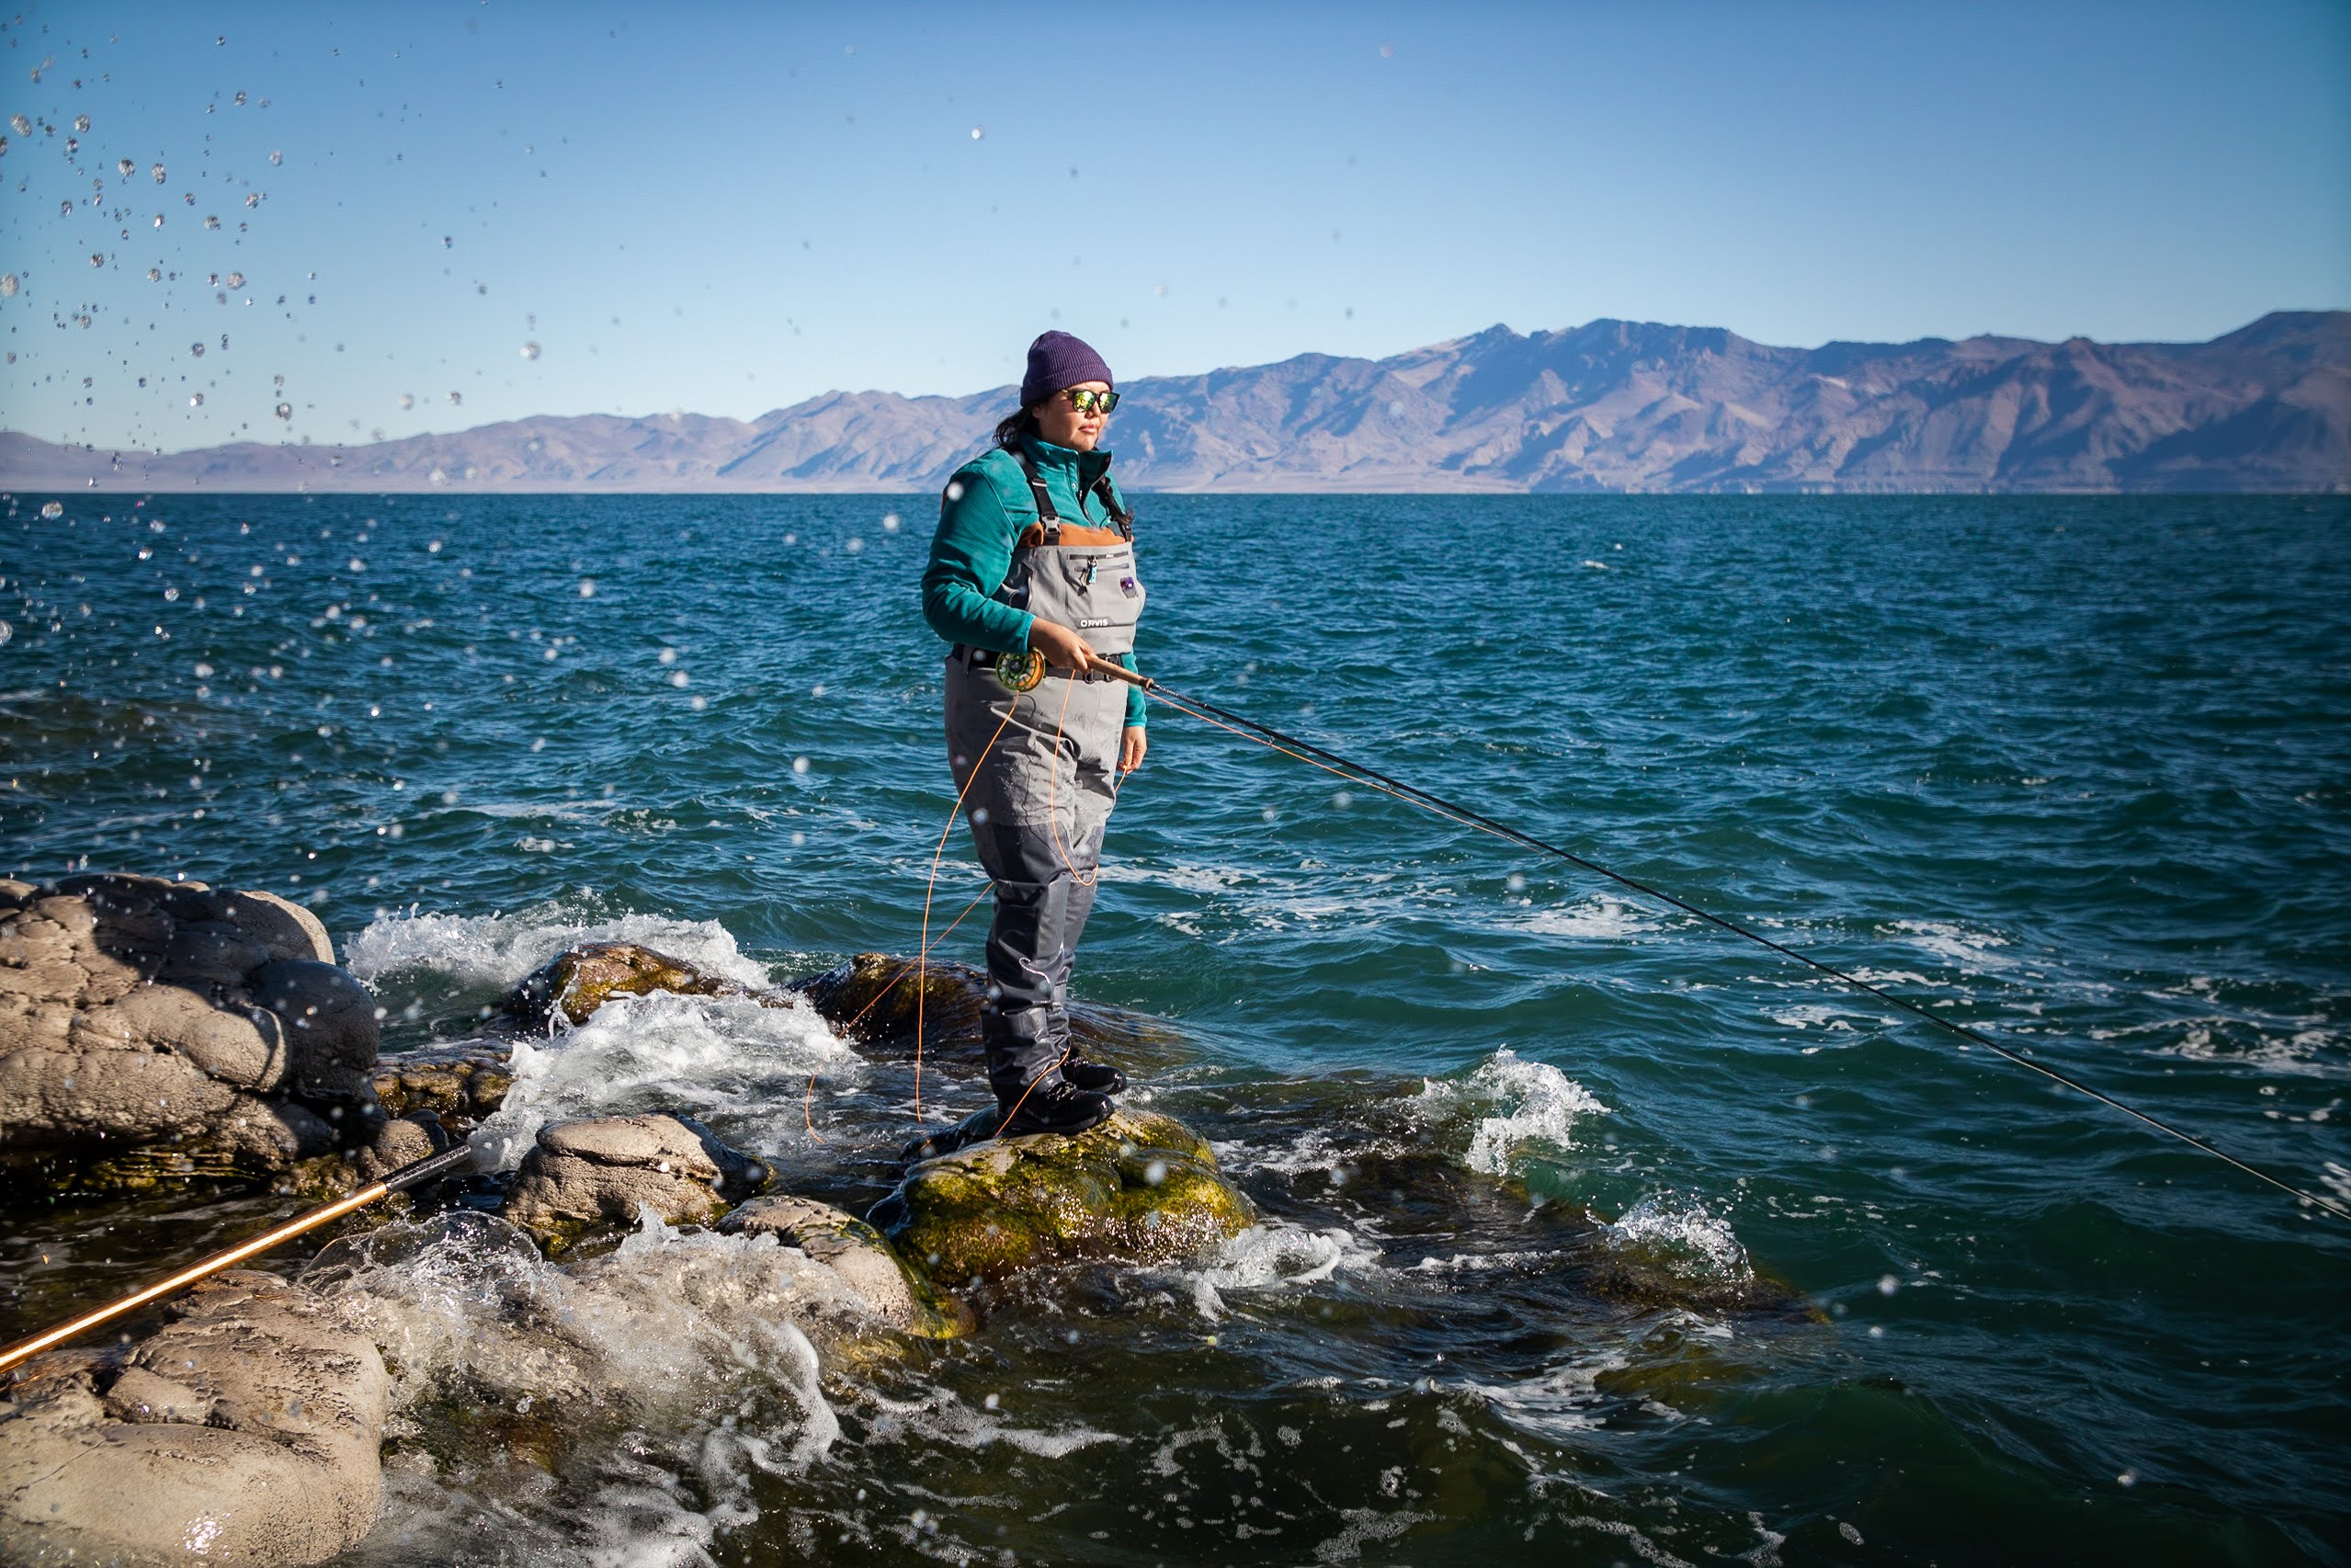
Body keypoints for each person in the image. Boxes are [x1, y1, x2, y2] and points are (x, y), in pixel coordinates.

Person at [920, 330, 1148, 1137]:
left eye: (1105, 400)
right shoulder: (989, 484)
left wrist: (1137, 712)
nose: (1094, 413)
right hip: (1009, 717)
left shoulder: (1100, 496)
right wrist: (1033, 632)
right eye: (1080, 398)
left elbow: (1115, 626)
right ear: (1039, 402)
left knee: (1076, 889)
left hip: (1096, 722)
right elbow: (945, 598)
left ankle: (1051, 1052)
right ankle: (1022, 1085)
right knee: (1039, 889)